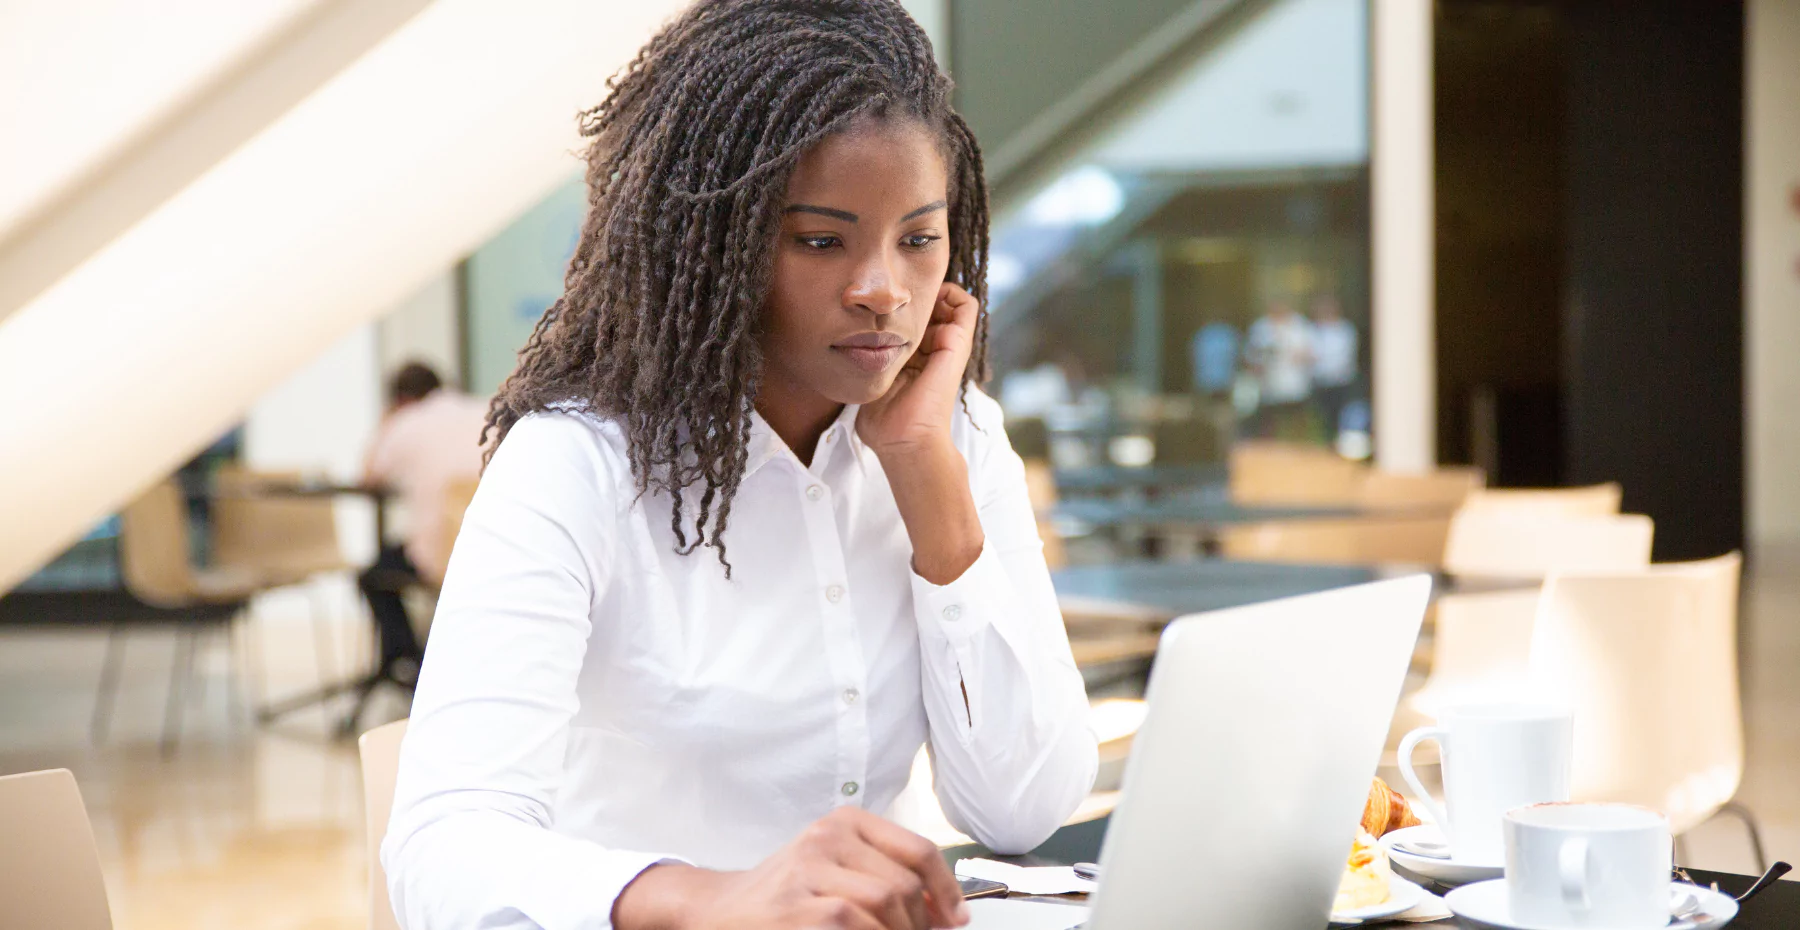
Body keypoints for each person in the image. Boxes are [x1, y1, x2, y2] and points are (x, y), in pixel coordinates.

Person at [381, 3, 1098, 929]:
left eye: (919, 239)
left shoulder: (955, 435)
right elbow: (441, 852)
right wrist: (720, 898)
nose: (883, 291)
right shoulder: (576, 460)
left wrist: (926, 474)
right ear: (709, 244)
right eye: (820, 240)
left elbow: (1023, 809)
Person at [357, 362, 488, 676]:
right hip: (492, 554)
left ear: (401, 400)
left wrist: (387, 423)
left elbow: (368, 478)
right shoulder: (485, 410)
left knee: (373, 577)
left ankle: (409, 666)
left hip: (438, 557)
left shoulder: (408, 422)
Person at [1245, 299, 1315, 439]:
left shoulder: (1300, 325)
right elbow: (1251, 355)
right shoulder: (1260, 327)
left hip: (1295, 383)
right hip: (1269, 383)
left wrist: (1300, 356)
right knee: (1269, 421)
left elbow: (1312, 353)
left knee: (1297, 419)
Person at [1308, 294, 1359, 437]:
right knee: (1322, 419)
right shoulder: (1314, 330)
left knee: (1342, 418)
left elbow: (1341, 357)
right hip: (1321, 382)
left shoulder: (1345, 330)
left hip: (1341, 382)